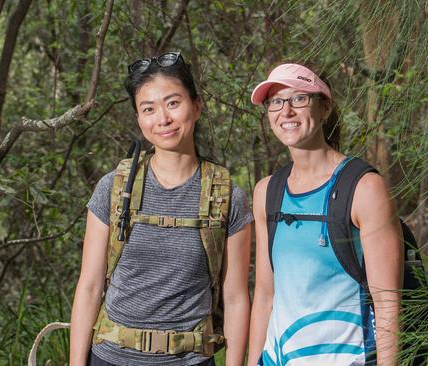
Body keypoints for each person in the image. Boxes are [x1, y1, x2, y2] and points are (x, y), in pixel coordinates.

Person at [69, 52, 253, 366]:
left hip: (190, 360)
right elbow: (89, 285)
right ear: (139, 118)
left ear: (196, 106)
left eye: (173, 103)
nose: (162, 119)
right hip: (111, 357)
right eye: (148, 109)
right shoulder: (113, 188)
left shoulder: (227, 197)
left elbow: (235, 296)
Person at [247, 63, 403, 366]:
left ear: (325, 107)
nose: (286, 112)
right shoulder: (267, 191)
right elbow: (266, 295)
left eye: (299, 99)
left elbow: (388, 302)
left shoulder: (364, 188)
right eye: (275, 102)